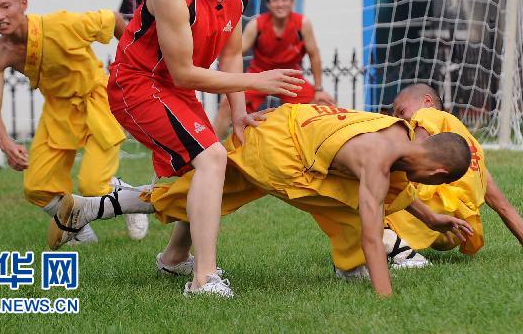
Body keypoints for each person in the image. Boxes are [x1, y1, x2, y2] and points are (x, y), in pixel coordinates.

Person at [51, 0, 305, 297]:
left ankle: (156, 247)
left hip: (173, 88)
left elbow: (232, 54)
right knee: (212, 160)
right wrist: (258, 80)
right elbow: (185, 73)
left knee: (207, 170)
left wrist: (239, 114)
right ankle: (203, 279)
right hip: (137, 85)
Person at [49, 103, 473, 297]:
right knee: (349, 204)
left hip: (288, 125)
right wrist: (386, 298)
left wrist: (432, 217)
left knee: (202, 193)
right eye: (430, 184)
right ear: (435, 169)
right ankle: (353, 269)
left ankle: (97, 206)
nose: (421, 186)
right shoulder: (380, 163)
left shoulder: (403, 135)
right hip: (281, 152)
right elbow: (370, 228)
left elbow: (395, 189)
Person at [0, 0, 149, 244]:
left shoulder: (60, 24)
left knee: (93, 187)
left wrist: (138, 66)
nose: (0, 16)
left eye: (6, 6)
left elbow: (114, 20)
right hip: (57, 112)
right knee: (36, 187)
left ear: (23, 4)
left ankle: (129, 195)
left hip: (95, 101)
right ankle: (77, 231)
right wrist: (6, 145)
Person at [384, 83, 523, 265]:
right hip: (459, 229)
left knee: (367, 204)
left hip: (436, 209)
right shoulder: (470, 150)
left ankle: (403, 255)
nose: (398, 118)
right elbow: (504, 207)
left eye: (401, 111)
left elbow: (415, 151)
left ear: (427, 102)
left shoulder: (428, 114)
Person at [213, 0, 335, 138]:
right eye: (275, 0)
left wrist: (319, 89)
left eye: (284, 0)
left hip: (290, 78)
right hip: (260, 75)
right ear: (268, 4)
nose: (280, 4)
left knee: (324, 104)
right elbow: (234, 54)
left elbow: (314, 55)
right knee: (226, 105)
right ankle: (212, 146)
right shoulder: (257, 24)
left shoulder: (302, 24)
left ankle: (323, 149)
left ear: (292, 2)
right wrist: (229, 85)